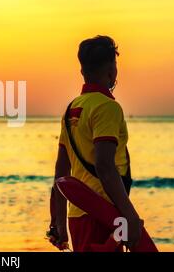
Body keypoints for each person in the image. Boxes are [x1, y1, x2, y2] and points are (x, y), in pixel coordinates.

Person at [47, 35, 143, 252]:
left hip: (77, 215)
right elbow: (105, 166)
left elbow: (61, 172)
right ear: (112, 69)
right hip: (104, 215)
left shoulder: (72, 108)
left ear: (83, 71)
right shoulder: (107, 107)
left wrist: (59, 223)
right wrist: (130, 215)